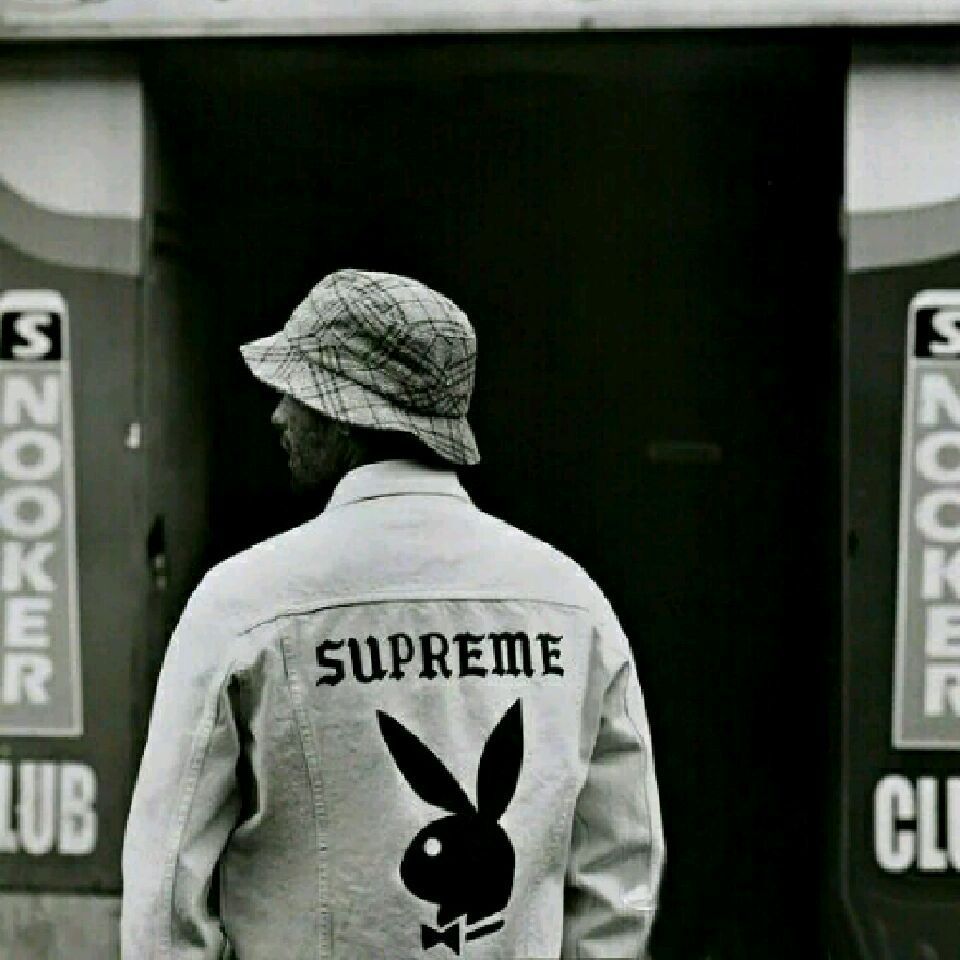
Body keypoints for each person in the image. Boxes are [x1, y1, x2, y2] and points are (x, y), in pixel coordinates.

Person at [120, 269, 664, 959]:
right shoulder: (571, 604)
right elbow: (620, 868)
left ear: (347, 410)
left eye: (297, 392)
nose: (278, 416)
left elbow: (166, 891)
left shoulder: (245, 604)